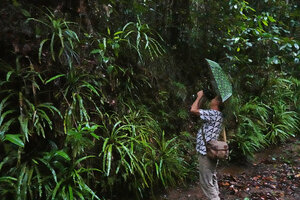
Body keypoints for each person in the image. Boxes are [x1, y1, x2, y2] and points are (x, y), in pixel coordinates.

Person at [190, 90, 224, 200]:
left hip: (206, 152)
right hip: (212, 151)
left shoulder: (213, 114)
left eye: (214, 99)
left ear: (217, 102)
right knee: (212, 177)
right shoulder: (219, 115)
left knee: (206, 182)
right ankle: (216, 196)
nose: (211, 100)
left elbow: (193, 110)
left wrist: (199, 97)